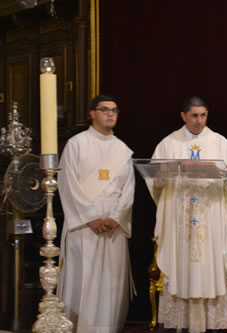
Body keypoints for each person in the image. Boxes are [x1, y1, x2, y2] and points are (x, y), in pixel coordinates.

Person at [146, 96, 227, 333]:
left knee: (209, 263)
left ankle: (212, 323)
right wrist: (165, 173)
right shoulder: (168, 144)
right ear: (183, 116)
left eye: (203, 116)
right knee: (182, 264)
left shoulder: (219, 142)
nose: (199, 121)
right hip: (180, 220)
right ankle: (179, 322)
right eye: (195, 116)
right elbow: (154, 180)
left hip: (212, 217)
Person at [57, 95, 135, 333]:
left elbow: (128, 189)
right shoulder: (76, 144)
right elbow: (67, 182)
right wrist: (90, 217)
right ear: (92, 113)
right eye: (105, 110)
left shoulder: (122, 150)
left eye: (114, 110)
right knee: (83, 280)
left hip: (112, 227)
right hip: (84, 227)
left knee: (110, 284)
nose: (111, 114)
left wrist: (115, 216)